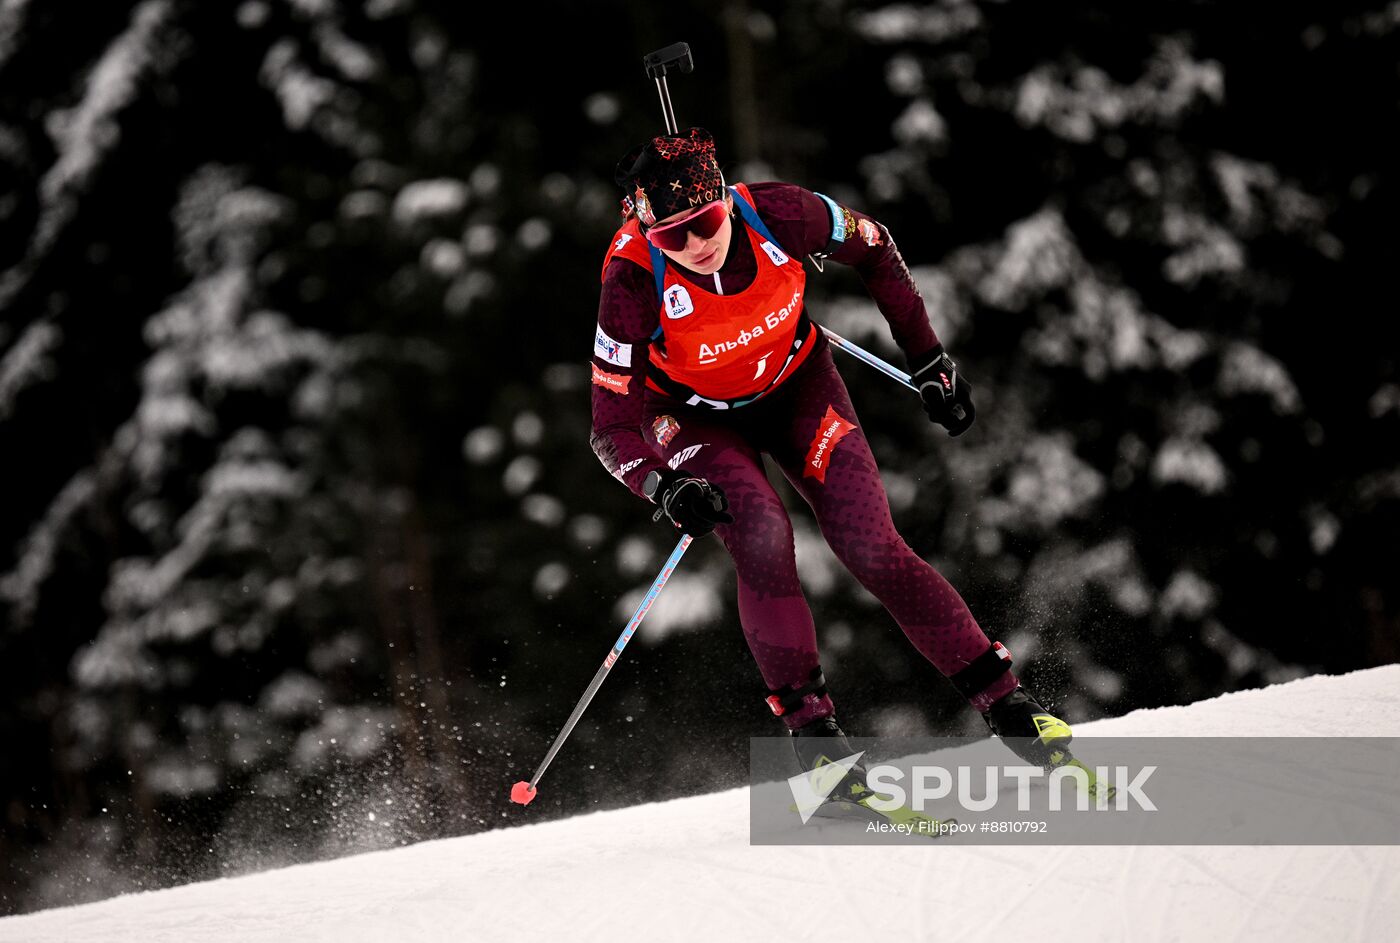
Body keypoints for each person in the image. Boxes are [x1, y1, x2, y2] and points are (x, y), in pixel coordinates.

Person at [589, 127, 1070, 803]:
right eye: (672, 236)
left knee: (871, 545)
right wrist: (662, 485)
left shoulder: (783, 213)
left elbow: (878, 250)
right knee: (760, 534)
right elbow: (609, 428)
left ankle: (1009, 706)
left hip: (797, 386)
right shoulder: (632, 279)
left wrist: (928, 357)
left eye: (702, 222)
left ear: (724, 198)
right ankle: (818, 744)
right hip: (693, 417)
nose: (694, 244)